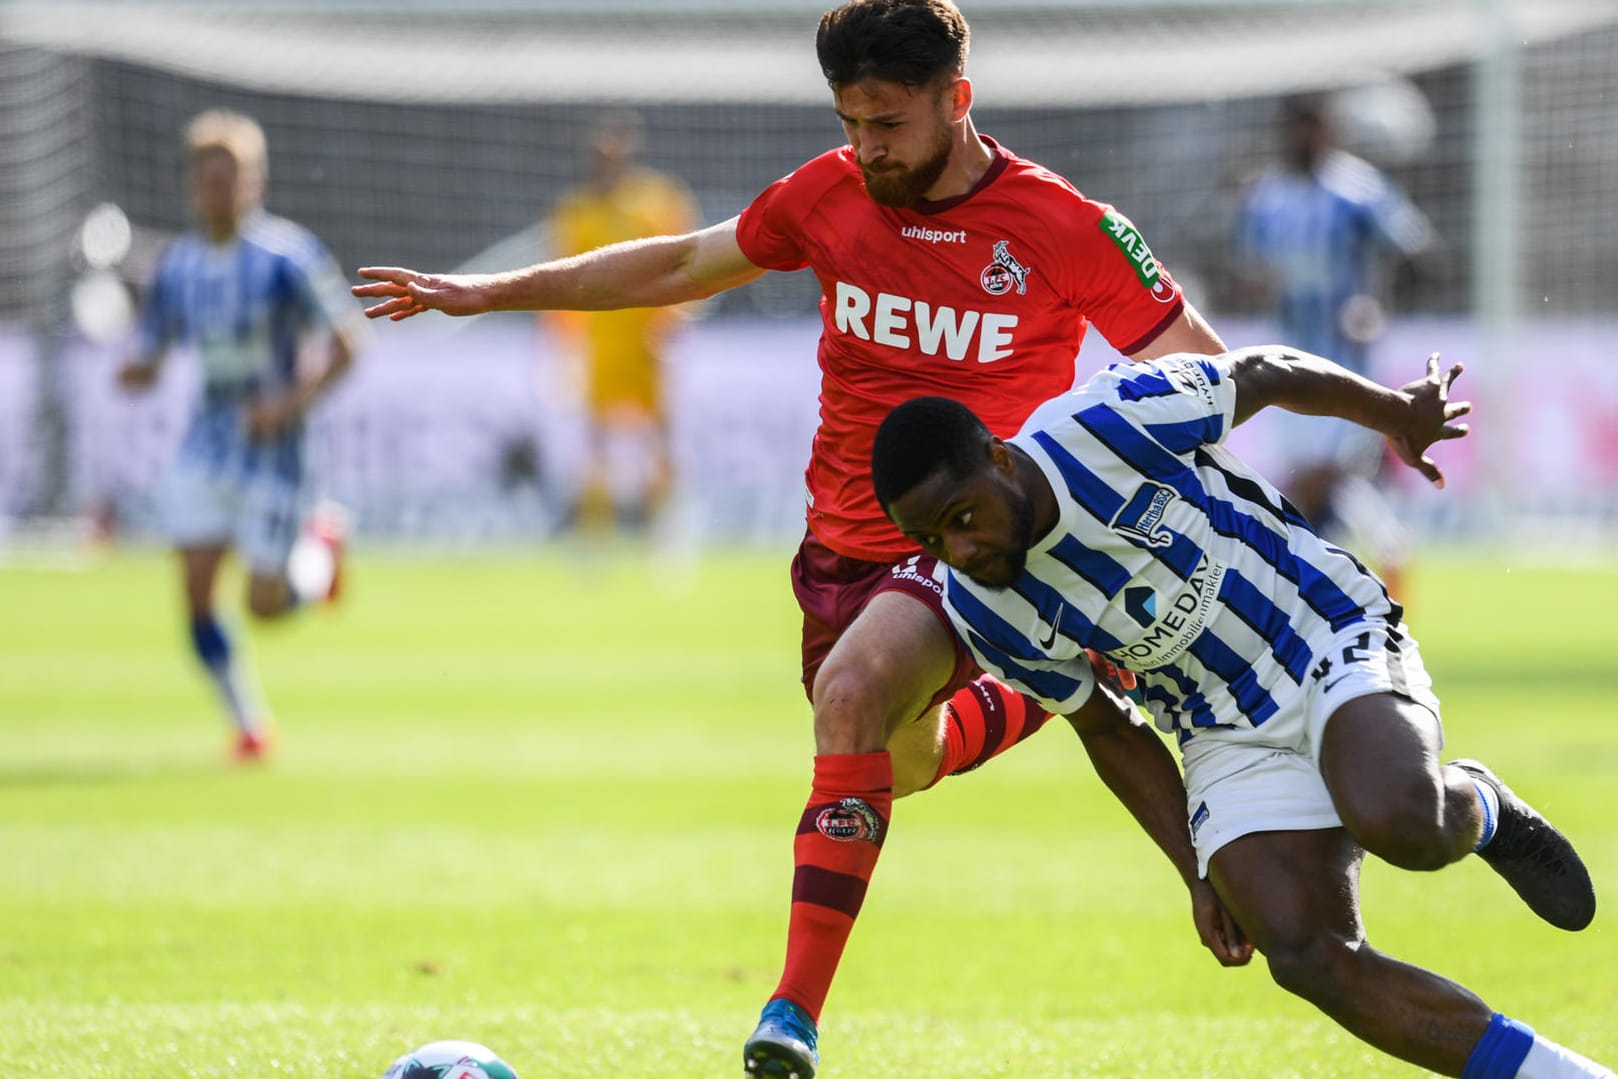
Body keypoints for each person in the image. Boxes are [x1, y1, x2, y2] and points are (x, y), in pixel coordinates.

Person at [352, 2, 1235, 1074]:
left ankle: (789, 1015)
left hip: (980, 550)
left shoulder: (1062, 226)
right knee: (887, 756)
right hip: (839, 557)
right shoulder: (828, 193)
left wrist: (1205, 530)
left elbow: (1199, 374)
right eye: (852, 121)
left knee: (856, 695)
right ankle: (1049, 681)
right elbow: (679, 265)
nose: (868, 148)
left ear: (957, 100)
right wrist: (492, 292)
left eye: (890, 123)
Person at [871, 347, 1607, 1078]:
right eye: (932, 539)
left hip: (1319, 627)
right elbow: (1106, 728)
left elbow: (1262, 374)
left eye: (963, 517)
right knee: (1302, 950)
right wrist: (1196, 872)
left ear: (1000, 459)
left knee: (1402, 821)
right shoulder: (981, 608)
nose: (960, 549)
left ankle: (1482, 802)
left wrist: (1392, 414)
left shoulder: (1105, 423)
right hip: (1218, 729)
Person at [118, 109, 365, 762]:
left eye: (235, 178)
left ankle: (320, 549)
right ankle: (249, 724)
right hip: (207, 440)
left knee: (264, 606)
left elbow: (348, 344)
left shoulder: (288, 258)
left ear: (255, 182)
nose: (222, 191)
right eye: (210, 179)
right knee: (196, 591)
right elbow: (154, 350)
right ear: (193, 185)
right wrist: (137, 370)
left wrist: (286, 405)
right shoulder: (178, 267)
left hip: (276, 450)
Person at [1234, 93, 1436, 598]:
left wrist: (1378, 307)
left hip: (1345, 360)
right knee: (1311, 484)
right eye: (1294, 128)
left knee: (1322, 477)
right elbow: (1247, 267)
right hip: (1281, 362)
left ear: (1328, 132)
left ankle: (1324, 582)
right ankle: (1384, 557)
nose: (1303, 138)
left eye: (1312, 128)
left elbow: (1418, 254)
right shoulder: (1265, 198)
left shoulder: (1357, 191)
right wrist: (1255, 285)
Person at [545, 111, 698, 537]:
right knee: (596, 439)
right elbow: (561, 282)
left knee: (661, 436)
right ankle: (597, 532)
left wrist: (674, 327)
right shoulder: (575, 213)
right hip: (600, 343)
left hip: (648, 341)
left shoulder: (658, 200)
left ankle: (668, 531)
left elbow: (686, 265)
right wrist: (563, 351)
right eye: (600, 155)